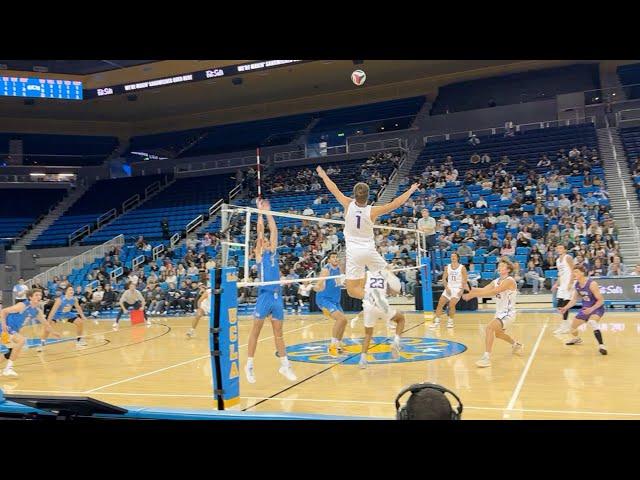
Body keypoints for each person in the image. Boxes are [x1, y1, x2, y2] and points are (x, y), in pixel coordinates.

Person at [315, 165, 413, 303]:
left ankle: (372, 297)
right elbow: (396, 203)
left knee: (352, 290)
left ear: (354, 195)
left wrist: (323, 175)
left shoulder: (348, 204)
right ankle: (390, 280)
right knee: (388, 278)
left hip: (354, 252)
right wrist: (412, 189)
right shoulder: (372, 210)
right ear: (368, 197)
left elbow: (333, 188)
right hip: (369, 250)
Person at [245, 199, 297, 384]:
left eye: (267, 241)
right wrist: (259, 212)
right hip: (265, 296)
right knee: (255, 332)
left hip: (277, 297)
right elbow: (261, 232)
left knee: (279, 333)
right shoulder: (260, 255)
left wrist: (268, 213)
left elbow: (273, 231)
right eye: (264, 242)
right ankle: (249, 365)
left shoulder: (273, 253)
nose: (267, 242)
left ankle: (285, 365)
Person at [463, 257, 524, 368]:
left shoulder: (509, 281)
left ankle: (486, 358)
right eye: (499, 266)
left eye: (502, 266)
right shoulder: (496, 281)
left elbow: (493, 292)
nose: (499, 268)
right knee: (499, 334)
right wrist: (468, 288)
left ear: (508, 269)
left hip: (508, 313)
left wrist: (472, 295)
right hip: (499, 313)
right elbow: (483, 290)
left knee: (489, 328)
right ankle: (516, 344)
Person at [0, 289, 58, 377]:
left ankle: (8, 368)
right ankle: (8, 369)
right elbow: (3, 311)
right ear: (30, 297)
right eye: (36, 295)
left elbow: (45, 323)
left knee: (11, 353)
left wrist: (53, 332)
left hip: (12, 331)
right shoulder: (22, 305)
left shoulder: (36, 311)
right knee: (21, 340)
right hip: (5, 329)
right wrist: (4, 326)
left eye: (40, 295)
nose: (39, 297)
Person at [359, 269, 405, 369]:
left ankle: (362, 359)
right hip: (382, 305)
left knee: (368, 334)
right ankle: (396, 342)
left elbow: (360, 289)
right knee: (401, 319)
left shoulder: (366, 274)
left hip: (369, 305)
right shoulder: (385, 273)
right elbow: (394, 292)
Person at [558, 265, 607, 355]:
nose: (574, 274)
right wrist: (565, 308)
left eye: (576, 272)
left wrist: (591, 309)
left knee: (592, 322)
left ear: (582, 273)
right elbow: (574, 300)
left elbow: (601, 300)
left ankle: (601, 346)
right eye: (573, 272)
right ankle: (577, 339)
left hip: (596, 308)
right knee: (572, 329)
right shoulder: (577, 285)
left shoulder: (592, 284)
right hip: (585, 310)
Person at [313, 252, 347, 357]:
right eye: (333, 257)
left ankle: (338, 344)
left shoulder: (340, 269)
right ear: (328, 260)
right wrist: (317, 287)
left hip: (335, 301)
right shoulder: (326, 270)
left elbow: (342, 282)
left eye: (336, 257)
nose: (336, 259)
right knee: (340, 319)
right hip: (324, 300)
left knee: (344, 321)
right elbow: (319, 284)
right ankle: (332, 345)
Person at [39, 284, 89, 351]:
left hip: (67, 314)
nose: (72, 291)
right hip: (57, 315)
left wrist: (82, 316)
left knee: (80, 322)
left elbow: (78, 308)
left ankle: (79, 341)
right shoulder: (60, 300)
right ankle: (42, 343)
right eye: (70, 290)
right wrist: (48, 321)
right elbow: (53, 311)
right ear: (66, 291)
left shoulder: (74, 299)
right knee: (47, 329)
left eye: (72, 290)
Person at [433, 252, 469, 329]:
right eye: (451, 256)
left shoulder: (462, 267)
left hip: (457, 288)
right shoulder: (447, 267)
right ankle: (437, 321)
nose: (453, 258)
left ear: (457, 258)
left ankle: (450, 321)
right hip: (449, 288)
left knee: (451, 305)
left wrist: (461, 290)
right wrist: (446, 288)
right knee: (440, 304)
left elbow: (465, 280)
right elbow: (443, 279)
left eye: (454, 256)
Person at [552, 244, 575, 334]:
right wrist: (556, 284)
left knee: (565, 306)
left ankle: (564, 326)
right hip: (562, 285)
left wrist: (571, 283)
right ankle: (565, 324)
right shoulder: (557, 260)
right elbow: (560, 274)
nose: (559, 249)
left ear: (565, 250)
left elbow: (573, 270)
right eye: (557, 248)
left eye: (561, 248)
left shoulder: (568, 257)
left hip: (568, 284)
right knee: (559, 306)